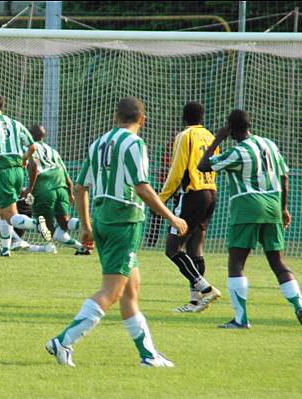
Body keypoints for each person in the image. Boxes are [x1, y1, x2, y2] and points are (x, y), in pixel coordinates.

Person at [45, 97, 188, 368]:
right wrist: (172, 217)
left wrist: (86, 226)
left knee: (130, 291)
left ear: (115, 117)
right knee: (111, 291)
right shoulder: (136, 144)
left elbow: (79, 188)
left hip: (101, 220)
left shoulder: (97, 144)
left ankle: (148, 356)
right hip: (125, 221)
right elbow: (143, 187)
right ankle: (63, 341)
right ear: (142, 121)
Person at [198, 109, 302, 328]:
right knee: (278, 261)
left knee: (236, 262)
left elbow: (203, 165)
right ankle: (299, 305)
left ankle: (240, 319)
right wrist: (284, 209)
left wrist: (218, 138)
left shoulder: (238, 152)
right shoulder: (269, 145)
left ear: (232, 129)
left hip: (247, 208)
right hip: (273, 206)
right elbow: (283, 177)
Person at [158, 102, 221, 313]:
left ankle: (206, 288)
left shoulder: (185, 136)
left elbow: (177, 170)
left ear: (184, 118)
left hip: (192, 194)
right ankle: (195, 302)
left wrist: (161, 198)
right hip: (210, 193)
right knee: (195, 246)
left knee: (172, 248)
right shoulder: (211, 136)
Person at [0, 92, 51, 256]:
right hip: (18, 171)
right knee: (4, 210)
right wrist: (23, 160)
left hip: (3, 172)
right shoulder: (16, 123)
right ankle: (4, 248)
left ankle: (35, 224)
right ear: (2, 106)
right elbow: (32, 147)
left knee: (9, 214)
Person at [24, 124, 90, 255]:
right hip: (61, 187)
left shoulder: (29, 148)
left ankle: (64, 247)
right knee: (65, 224)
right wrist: (70, 194)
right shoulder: (53, 151)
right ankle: (86, 228)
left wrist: (29, 188)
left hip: (44, 188)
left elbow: (34, 166)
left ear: (29, 136)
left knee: (45, 227)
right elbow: (68, 177)